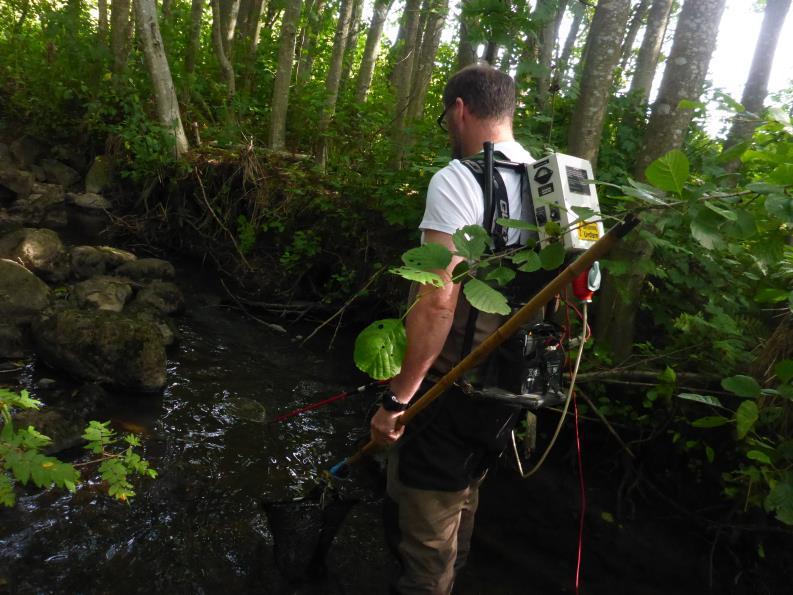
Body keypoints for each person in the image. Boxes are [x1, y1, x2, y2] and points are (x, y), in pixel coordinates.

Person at [370, 65, 537, 594]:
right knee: (463, 492)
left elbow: (438, 300)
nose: (447, 124)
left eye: (446, 114)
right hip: (515, 382)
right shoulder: (546, 178)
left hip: (451, 383)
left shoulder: (459, 178)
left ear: (460, 108)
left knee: (425, 522)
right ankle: (453, 576)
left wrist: (399, 399)